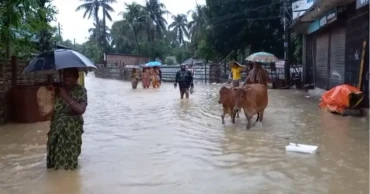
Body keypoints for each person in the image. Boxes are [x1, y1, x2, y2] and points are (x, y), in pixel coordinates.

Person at [46, 68, 88, 170]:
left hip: (72, 129)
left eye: (70, 76)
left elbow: (81, 109)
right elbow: (47, 109)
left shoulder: (81, 90)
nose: (66, 78)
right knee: (55, 153)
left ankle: (71, 176)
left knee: (71, 156)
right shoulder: (57, 90)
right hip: (57, 126)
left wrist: (65, 96)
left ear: (76, 77)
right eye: (65, 75)